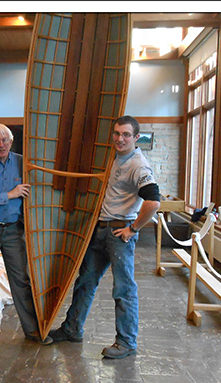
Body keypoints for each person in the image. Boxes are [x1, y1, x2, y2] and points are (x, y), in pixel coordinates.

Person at [48, 115, 161, 358]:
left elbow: (153, 202)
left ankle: (127, 342)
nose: (120, 139)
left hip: (120, 234)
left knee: (123, 289)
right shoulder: (113, 158)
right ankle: (72, 329)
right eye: (117, 134)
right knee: (85, 282)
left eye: (126, 135)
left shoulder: (138, 165)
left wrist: (133, 229)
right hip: (100, 230)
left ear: (135, 137)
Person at [0, 123, 52, 345]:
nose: (1, 144)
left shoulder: (23, 164)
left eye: (5, 139)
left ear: (11, 141)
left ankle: (32, 329)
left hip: (14, 229)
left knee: (21, 279)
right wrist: (10, 194)